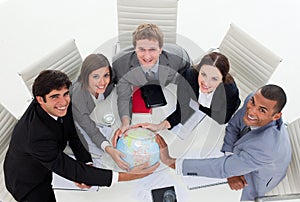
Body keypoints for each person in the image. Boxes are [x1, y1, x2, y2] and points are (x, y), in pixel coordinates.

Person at [3, 70, 159, 202]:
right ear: (39, 100)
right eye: (55, 96)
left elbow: (72, 133)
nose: (63, 102)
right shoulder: (36, 136)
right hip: (29, 182)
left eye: (65, 94)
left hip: (49, 156)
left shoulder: (62, 104)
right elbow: (69, 168)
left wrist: (87, 163)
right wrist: (128, 176)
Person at [156, 84, 291, 201]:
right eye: (253, 102)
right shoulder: (254, 99)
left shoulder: (266, 147)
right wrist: (230, 161)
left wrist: (171, 161)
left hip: (256, 178)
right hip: (241, 156)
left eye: (262, 110)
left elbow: (221, 169)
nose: (251, 111)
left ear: (276, 116)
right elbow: (233, 127)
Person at [111, 23, 192, 137]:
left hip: (169, 89)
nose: (147, 56)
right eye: (142, 50)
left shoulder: (178, 57)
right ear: (135, 49)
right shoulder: (120, 64)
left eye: (152, 49)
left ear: (160, 49)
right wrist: (125, 123)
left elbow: (190, 77)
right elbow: (123, 97)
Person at [134, 52, 241, 132]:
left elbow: (222, 119)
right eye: (203, 74)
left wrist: (197, 105)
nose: (206, 83)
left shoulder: (229, 91)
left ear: (222, 79)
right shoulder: (189, 77)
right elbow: (181, 110)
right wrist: (158, 126)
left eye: (214, 79)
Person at [70, 53, 129, 170]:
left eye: (105, 75)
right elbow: (90, 130)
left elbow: (124, 93)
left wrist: (125, 121)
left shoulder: (111, 77)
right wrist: (108, 149)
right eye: (96, 77)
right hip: (78, 126)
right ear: (86, 76)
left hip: (99, 114)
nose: (102, 82)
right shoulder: (78, 96)